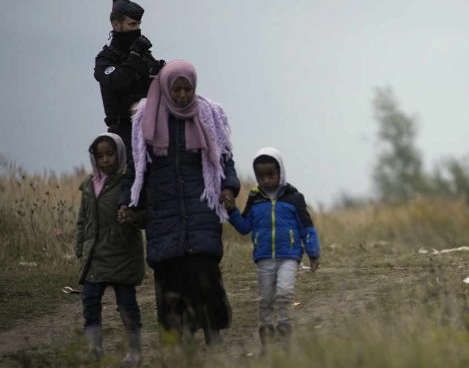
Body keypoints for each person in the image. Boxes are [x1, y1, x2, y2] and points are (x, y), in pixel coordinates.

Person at [118, 60, 240, 346]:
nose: (183, 95)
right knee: (171, 277)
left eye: (188, 89)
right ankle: (182, 346)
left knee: (204, 273)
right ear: (166, 87)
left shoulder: (208, 115)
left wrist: (229, 189)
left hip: (201, 209)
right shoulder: (146, 119)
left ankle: (214, 339)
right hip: (164, 213)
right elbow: (136, 169)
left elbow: (225, 161)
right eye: (178, 89)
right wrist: (128, 202)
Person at [225, 147, 320, 353]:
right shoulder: (255, 198)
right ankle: (267, 336)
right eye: (261, 176)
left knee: (285, 293)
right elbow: (243, 227)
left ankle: (285, 332)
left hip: (290, 256)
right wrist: (231, 210)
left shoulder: (294, 198)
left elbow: (307, 227)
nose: (266, 180)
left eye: (271, 175)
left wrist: (313, 252)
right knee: (266, 299)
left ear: (280, 173)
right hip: (264, 258)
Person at [75, 132, 145, 365]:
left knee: (126, 303)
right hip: (95, 254)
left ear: (120, 154)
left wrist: (132, 216)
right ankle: (94, 349)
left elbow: (145, 216)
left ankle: (134, 351)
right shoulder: (88, 184)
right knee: (90, 300)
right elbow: (83, 219)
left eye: (110, 154)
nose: (105, 160)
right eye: (100, 155)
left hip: (122, 253)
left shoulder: (128, 183)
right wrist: (80, 248)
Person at [95, 0, 165, 153]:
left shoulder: (145, 56)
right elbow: (120, 80)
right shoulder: (105, 59)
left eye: (139, 24)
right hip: (122, 134)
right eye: (132, 24)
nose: (137, 29)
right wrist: (135, 55)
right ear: (116, 25)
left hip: (150, 132)